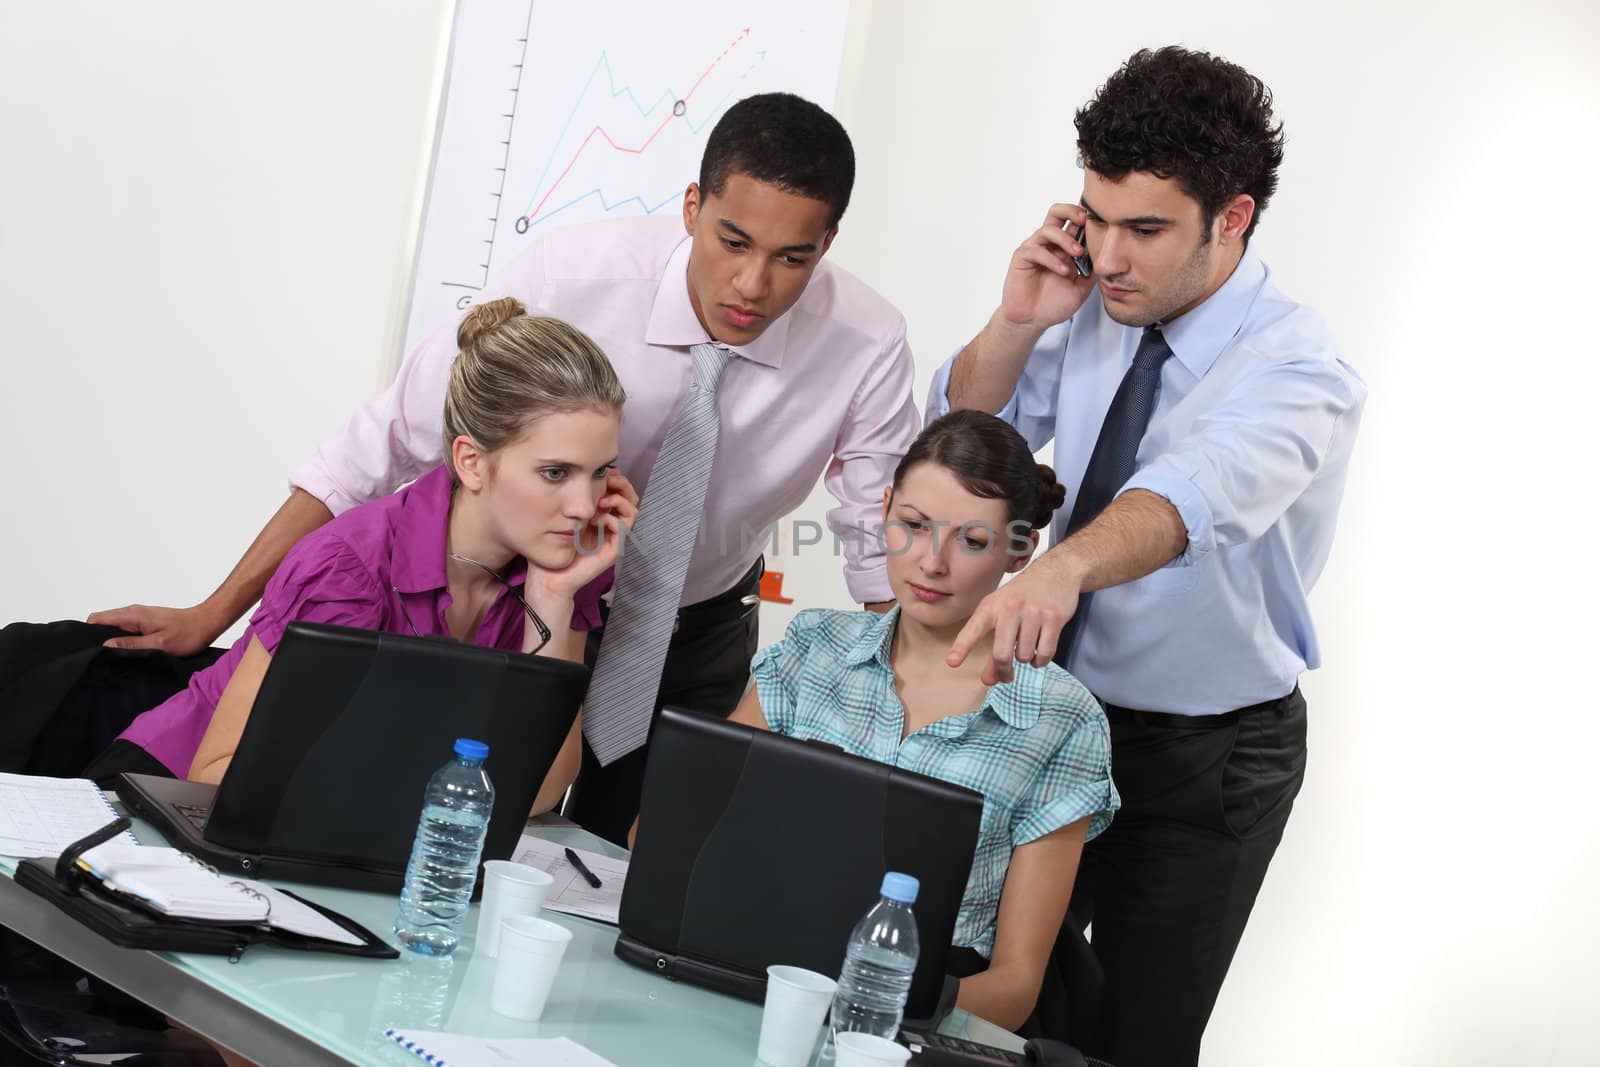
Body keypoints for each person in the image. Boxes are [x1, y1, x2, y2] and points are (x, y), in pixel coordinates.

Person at [89, 92, 919, 844]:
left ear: (828, 243)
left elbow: (875, 543)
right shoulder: (571, 278)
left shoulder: (866, 340)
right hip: (514, 605)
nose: (752, 284)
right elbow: (370, 452)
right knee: (450, 821)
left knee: (625, 868)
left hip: (685, 629)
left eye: (792, 259)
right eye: (732, 241)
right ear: (693, 207)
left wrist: (923, 701)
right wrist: (213, 615)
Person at [930, 47, 1367, 1065]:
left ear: (1232, 218)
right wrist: (1015, 319)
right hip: (1050, 713)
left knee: (1133, 1038)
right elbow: (954, 443)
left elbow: (1190, 491)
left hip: (1202, 755)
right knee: (976, 1000)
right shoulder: (1091, 302)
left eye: (1146, 229)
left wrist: (1062, 565)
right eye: (1096, 217)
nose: (1111, 255)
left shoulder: (1299, 367)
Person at [84, 299, 635, 813]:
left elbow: (536, 795)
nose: (584, 505)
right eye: (555, 473)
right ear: (470, 461)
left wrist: (554, 602)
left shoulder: (556, 567)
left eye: (601, 470)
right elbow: (217, 771)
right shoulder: (349, 567)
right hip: (167, 799)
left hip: (339, 831)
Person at [724, 410, 1119, 1032]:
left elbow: (1015, 988)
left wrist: (866, 1006)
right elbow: (682, 836)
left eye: (972, 540)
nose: (931, 563)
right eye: (912, 525)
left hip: (918, 1010)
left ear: (1020, 551)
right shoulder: (813, 646)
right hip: (761, 962)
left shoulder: (1062, 720)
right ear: (883, 511)